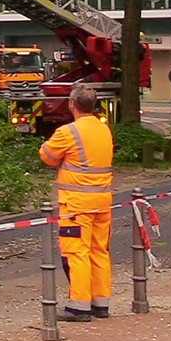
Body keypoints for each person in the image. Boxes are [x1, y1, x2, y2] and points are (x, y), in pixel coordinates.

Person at [39, 84, 113, 322]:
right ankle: (101, 303)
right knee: (99, 251)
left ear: (72, 104)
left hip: (76, 205)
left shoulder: (67, 132)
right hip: (102, 202)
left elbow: (47, 156)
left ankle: (79, 306)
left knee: (76, 253)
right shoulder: (104, 130)